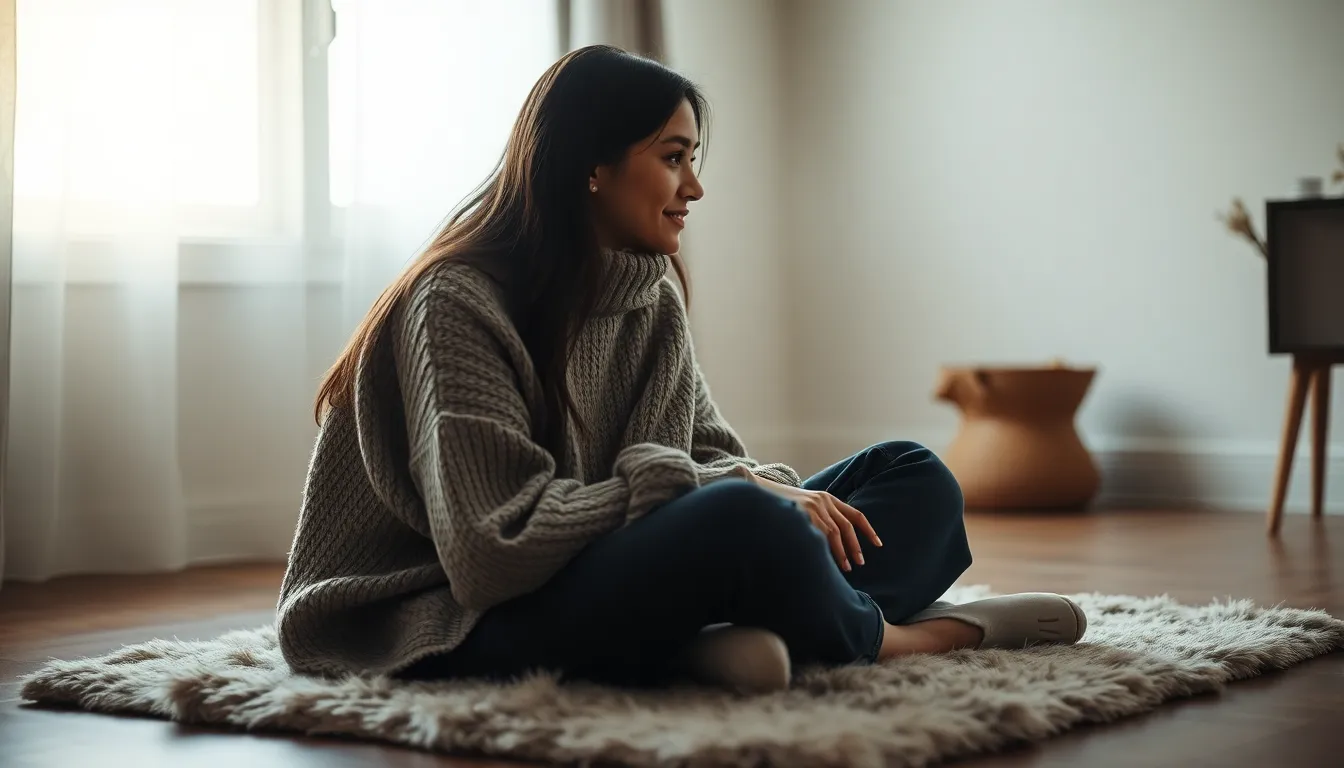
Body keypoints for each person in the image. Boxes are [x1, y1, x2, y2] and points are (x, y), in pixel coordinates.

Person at [276, 44, 1087, 695]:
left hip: (593, 575)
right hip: (450, 615)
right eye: (673, 157)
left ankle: (708, 645)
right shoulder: (454, 301)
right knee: (742, 521)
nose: (694, 186)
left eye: (693, 157)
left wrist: (774, 491)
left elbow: (704, 454)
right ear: (591, 166)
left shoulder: (646, 290)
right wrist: (736, 497)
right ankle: (902, 641)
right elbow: (493, 549)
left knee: (911, 476)